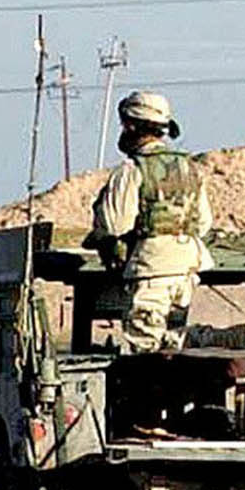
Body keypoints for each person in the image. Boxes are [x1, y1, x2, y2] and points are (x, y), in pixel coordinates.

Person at [89, 90, 214, 353]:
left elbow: (115, 225)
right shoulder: (189, 168)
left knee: (144, 349)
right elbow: (203, 223)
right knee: (173, 343)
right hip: (188, 268)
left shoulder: (132, 170)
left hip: (151, 268)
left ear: (131, 126)